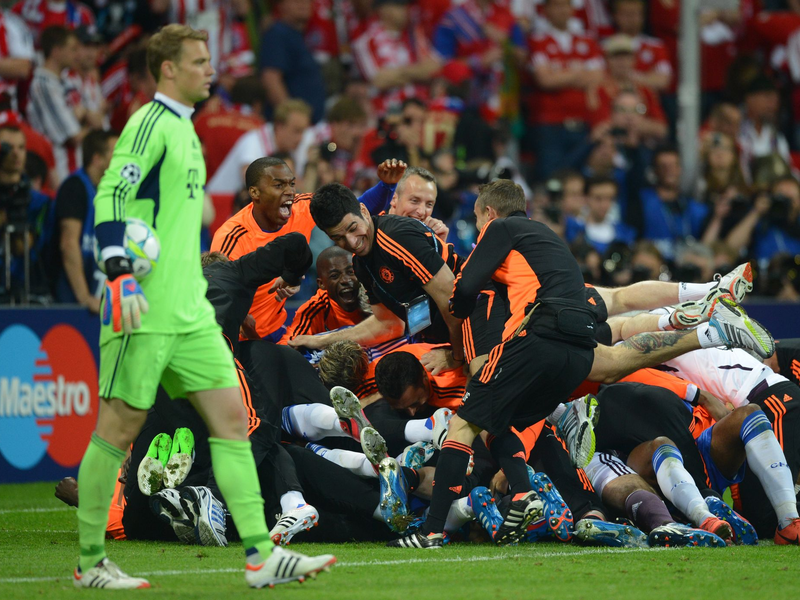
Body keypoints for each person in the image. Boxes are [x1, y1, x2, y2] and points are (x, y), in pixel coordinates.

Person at [76, 24, 334, 589]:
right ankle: (91, 561)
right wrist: (119, 271)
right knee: (115, 432)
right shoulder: (148, 125)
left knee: (235, 422)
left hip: (191, 308)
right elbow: (111, 194)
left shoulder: (186, 132)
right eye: (198, 61)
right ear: (168, 69)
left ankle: (260, 556)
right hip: (144, 306)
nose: (210, 70)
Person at [210, 157, 403, 340]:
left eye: (291, 184)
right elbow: (218, 296)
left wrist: (386, 185)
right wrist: (244, 326)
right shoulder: (231, 237)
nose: (290, 192)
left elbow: (352, 209)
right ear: (255, 193)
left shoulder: (301, 207)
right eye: (279, 185)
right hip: (240, 337)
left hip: (278, 330)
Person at [297, 182, 465, 365]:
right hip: (444, 337)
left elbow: (452, 299)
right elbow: (388, 324)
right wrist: (320, 341)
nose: (352, 243)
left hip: (475, 323)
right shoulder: (361, 264)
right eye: (338, 238)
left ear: (364, 211)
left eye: (353, 228)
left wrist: (457, 356)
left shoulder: (397, 238)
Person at [53, 129, 117, 310]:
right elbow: (69, 243)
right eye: (117, 153)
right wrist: (84, 298)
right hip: (69, 306)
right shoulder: (74, 188)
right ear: (97, 159)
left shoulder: (109, 194)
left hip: (97, 299)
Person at [26, 25, 85, 182]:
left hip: (74, 166)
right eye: (72, 49)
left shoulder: (65, 81)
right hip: (60, 171)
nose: (77, 55)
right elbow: (73, 136)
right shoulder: (43, 84)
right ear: (56, 51)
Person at [281, 246, 370, 343]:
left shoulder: (375, 296)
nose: (345, 280)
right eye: (334, 276)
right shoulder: (314, 309)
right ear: (322, 284)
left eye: (351, 272)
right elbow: (290, 344)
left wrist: (319, 341)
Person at [259, 0, 325, 123]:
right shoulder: (277, 34)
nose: (303, 4)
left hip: (306, 127)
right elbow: (271, 79)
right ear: (281, 5)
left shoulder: (298, 34)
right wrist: (291, 119)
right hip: (290, 130)